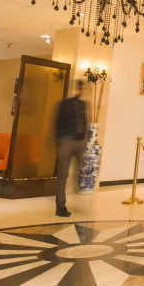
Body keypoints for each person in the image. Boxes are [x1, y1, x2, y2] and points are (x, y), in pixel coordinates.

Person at [54, 79, 87, 217]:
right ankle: (60, 206)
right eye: (79, 88)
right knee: (63, 173)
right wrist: (59, 143)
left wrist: (84, 141)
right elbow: (57, 124)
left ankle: (78, 199)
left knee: (82, 170)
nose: (81, 90)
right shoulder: (65, 104)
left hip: (79, 142)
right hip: (66, 141)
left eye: (82, 88)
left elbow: (84, 123)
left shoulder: (83, 104)